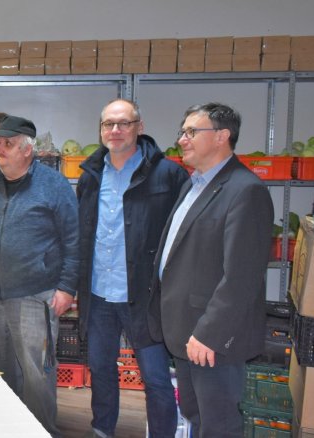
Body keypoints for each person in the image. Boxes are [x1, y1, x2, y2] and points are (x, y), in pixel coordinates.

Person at [150, 103, 273, 437]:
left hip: (212, 336)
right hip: (186, 329)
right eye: (182, 132)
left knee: (218, 423)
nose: (182, 140)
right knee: (196, 414)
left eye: (192, 132)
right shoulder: (195, 184)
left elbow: (242, 276)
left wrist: (209, 333)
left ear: (222, 136)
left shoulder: (246, 190)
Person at [77, 99, 188, 438]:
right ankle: (102, 429)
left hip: (145, 296)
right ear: (100, 130)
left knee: (155, 377)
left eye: (124, 123)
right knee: (101, 368)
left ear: (140, 127)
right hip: (98, 295)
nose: (115, 130)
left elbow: (183, 237)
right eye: (108, 124)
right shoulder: (92, 175)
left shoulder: (168, 174)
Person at [0, 115, 78, 436]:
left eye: (8, 144)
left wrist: (67, 288)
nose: (0, 149)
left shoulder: (54, 186)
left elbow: (73, 238)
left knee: (36, 374)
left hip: (33, 295)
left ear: (28, 150)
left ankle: (40, 431)